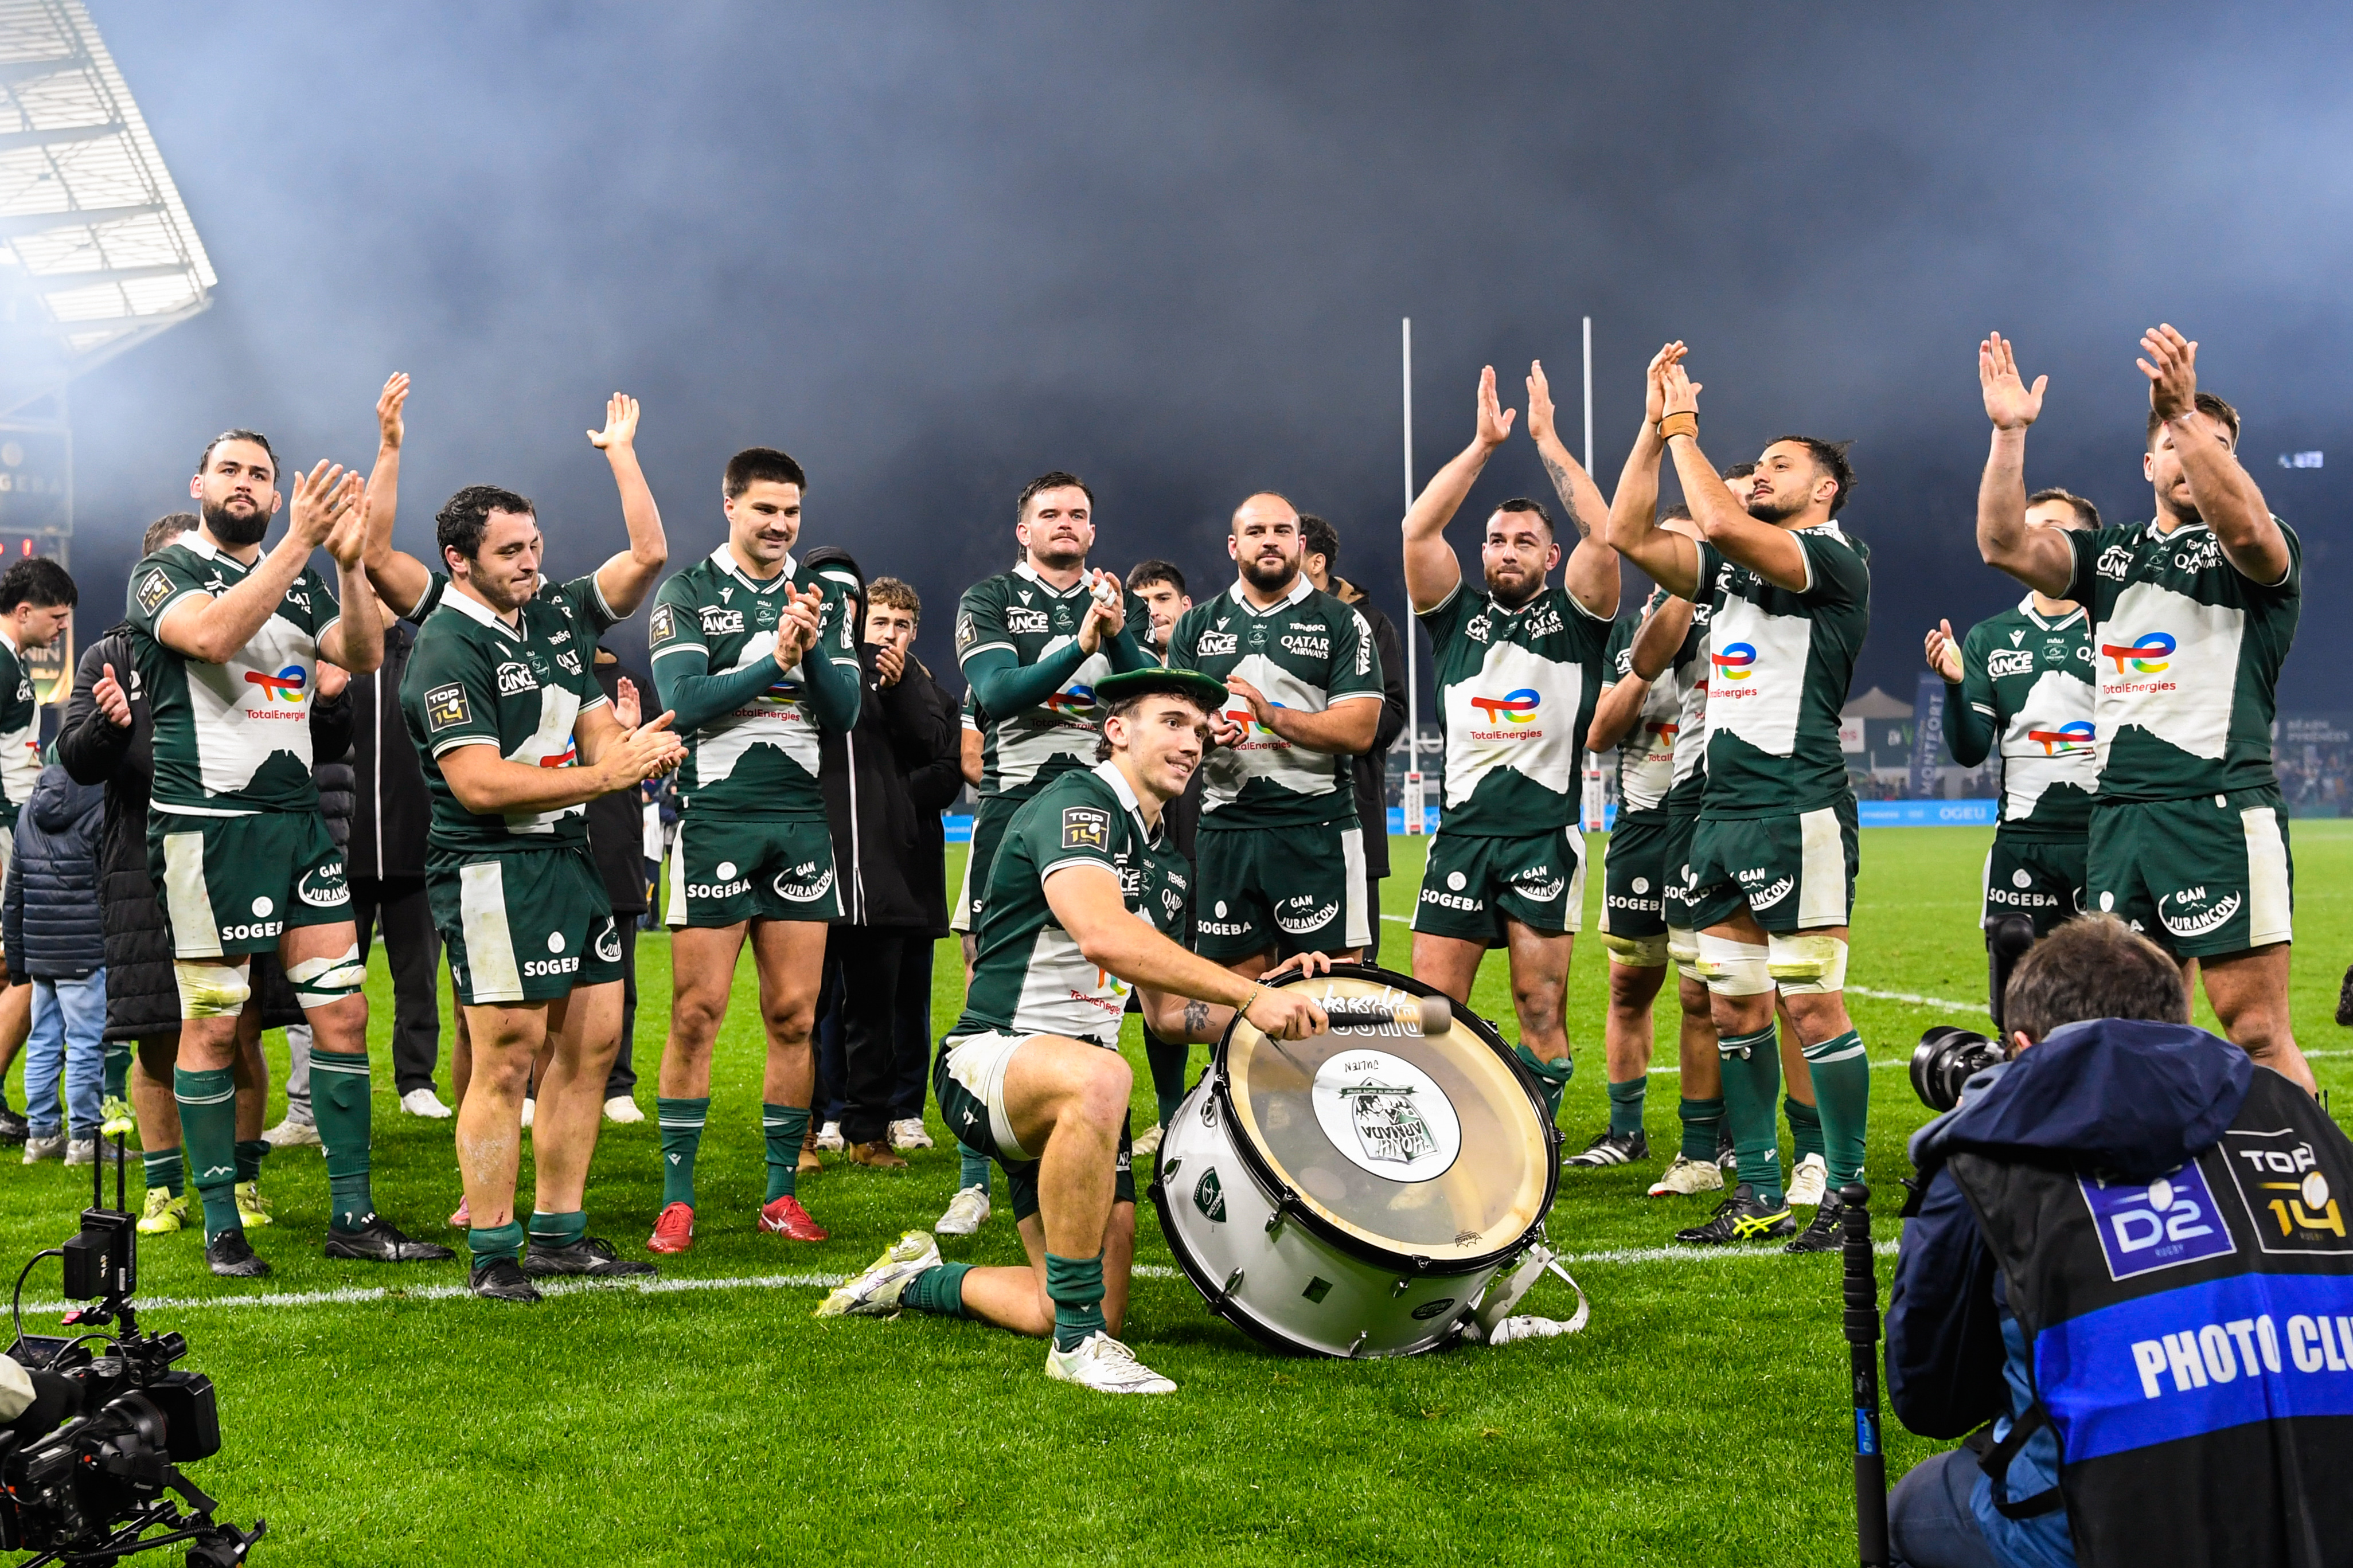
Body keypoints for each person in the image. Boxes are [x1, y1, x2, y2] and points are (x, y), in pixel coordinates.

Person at [815, 667, 1329, 1395]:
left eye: (1200, 727)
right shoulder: (1076, 802)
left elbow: (1164, 1014)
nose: (1194, 740)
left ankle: (919, 1280)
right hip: (991, 1061)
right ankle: (1077, 1351)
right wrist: (1249, 992)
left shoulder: (1166, 862)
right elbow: (1101, 935)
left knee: (1078, 1300)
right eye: (1173, 722)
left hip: (1078, 1103)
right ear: (1117, 731)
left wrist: (1275, 1004)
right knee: (1105, 1077)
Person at [1884, 914, 2352, 1567]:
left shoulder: (1984, 1146)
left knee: (1907, 1511)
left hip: (2118, 1522)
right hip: (2323, 1500)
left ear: (2021, 1046)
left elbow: (1930, 1396)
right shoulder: (2293, 1109)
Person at [124, 419, 448, 1278]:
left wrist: (343, 560)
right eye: (228, 469)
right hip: (207, 827)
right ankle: (222, 1224)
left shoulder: (302, 580)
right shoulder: (165, 572)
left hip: (298, 826)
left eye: (259, 474)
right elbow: (213, 638)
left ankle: (353, 1211)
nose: (244, 482)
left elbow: (366, 652)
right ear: (198, 486)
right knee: (215, 1021)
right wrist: (299, 542)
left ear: (274, 493)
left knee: (342, 1012)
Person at [1971, 329, 2312, 1094]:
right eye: (2174, 439)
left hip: (2216, 810)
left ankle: (2311, 1192)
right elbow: (2000, 543)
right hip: (2117, 819)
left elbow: (2247, 529)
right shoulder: (2109, 556)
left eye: (2218, 446)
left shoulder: (2254, 553)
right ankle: (2165, 1174)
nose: (2195, 454)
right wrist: (2007, 432)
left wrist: (2186, 418)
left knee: (2253, 1029)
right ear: (2146, 464)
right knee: (2126, 1026)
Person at [1608, 342, 1871, 1252]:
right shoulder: (1734, 575)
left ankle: (1843, 1191)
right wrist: (1649, 434)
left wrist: (1684, 427)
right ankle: (1757, 1188)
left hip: (1794, 804)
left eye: (1779, 465)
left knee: (1809, 1004)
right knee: (1732, 1006)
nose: (1760, 473)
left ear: (1824, 490)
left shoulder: (1831, 561)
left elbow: (1715, 522)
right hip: (1717, 814)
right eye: (1755, 465)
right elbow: (1629, 538)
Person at [400, 479, 686, 1302]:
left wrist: (625, 745)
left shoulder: (554, 613)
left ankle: (558, 1231)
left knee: (592, 1044)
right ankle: (493, 1247)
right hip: (491, 868)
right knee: (505, 1059)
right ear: (459, 560)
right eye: (509, 552)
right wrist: (606, 775)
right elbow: (479, 783)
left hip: (567, 858)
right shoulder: (447, 645)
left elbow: (592, 712)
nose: (531, 563)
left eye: (534, 545)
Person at [59, 514, 333, 1238]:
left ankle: (241, 1181)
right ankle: (162, 1186)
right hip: (141, 859)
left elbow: (323, 731)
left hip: (243, 848)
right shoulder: (110, 653)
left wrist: (325, 695)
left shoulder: (268, 630)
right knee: (157, 1030)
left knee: (237, 1023)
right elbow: (77, 759)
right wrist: (107, 727)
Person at [640, 446, 863, 1254]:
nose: (779, 524)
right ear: (729, 506)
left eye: (791, 512)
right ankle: (676, 1196)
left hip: (798, 822)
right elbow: (685, 702)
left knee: (794, 1015)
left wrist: (805, 656)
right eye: (764, 508)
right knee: (696, 1013)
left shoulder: (823, 596)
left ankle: (779, 1192)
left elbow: (842, 715)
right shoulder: (689, 592)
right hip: (716, 820)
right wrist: (772, 658)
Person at [1399, 362, 1620, 1124]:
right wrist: (1482, 445)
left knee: (1537, 1005)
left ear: (1549, 557)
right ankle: (1433, 1134)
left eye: (1524, 541)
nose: (1506, 551)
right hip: (1459, 838)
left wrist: (1547, 439)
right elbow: (1417, 529)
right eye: (1495, 540)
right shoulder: (1451, 615)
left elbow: (1607, 530)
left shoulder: (1578, 616)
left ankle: (1532, 1137)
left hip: (1541, 839)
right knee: (1430, 1009)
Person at [950, 471, 1154, 979]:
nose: (1065, 523)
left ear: (1091, 533)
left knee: (1101, 963)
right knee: (990, 956)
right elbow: (997, 693)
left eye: (1077, 516)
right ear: (1023, 533)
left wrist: (1117, 632)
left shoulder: (1129, 607)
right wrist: (1081, 647)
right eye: (1050, 515)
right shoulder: (988, 598)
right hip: (1013, 798)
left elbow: (1149, 700)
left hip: (1102, 803)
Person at [1167, 492, 1382, 973]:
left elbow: (1360, 728)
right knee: (1235, 1002)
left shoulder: (1342, 622)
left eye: (1281, 532)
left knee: (1334, 992)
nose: (1269, 541)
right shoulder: (1196, 626)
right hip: (1226, 831)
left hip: (1317, 830)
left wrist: (1275, 716)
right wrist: (1204, 731)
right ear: (1232, 545)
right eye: (1255, 532)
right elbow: (1172, 724)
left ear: (1301, 545)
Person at [1925, 486, 2102, 1019]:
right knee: (2017, 1009)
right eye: (2025, 527)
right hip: (2022, 846)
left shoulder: (2122, 626)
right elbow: (1969, 750)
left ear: (2086, 544)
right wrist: (1955, 687)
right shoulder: (1990, 636)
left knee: (2111, 1000)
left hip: (2110, 839)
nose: (2030, 539)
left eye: (2048, 526)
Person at [814, 576, 959, 1170]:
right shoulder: (835, 684)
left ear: (915, 632)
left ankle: (899, 1113)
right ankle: (827, 1114)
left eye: (901, 625)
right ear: (858, 626)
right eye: (880, 623)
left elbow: (947, 770)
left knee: (903, 1000)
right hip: (838, 862)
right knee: (826, 1001)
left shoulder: (927, 689)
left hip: (908, 868)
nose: (890, 635)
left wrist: (883, 796)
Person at [1575, 540, 1702, 1172]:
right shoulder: (1623, 633)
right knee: (1629, 985)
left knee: (1711, 989)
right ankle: (1626, 1131)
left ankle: (1714, 1133)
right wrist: (1645, 666)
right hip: (1642, 828)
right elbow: (1598, 735)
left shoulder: (1737, 619)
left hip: (1712, 825)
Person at [333, 608, 448, 1123]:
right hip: (346, 852)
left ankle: (416, 1081)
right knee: (335, 981)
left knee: (419, 978)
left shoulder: (424, 657)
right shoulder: (332, 653)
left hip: (414, 849)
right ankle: (338, 1079)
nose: (373, 599)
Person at [1119, 558, 1205, 1165]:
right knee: (1137, 978)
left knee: (1178, 978)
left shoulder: (1207, 670)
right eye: (1142, 599)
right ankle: (1154, 1111)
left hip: (1202, 838)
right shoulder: (1121, 671)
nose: (1154, 607)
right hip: (1134, 839)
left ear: (1186, 602)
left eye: (1163, 596)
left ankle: (1178, 1114)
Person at [1296, 515, 1410, 945]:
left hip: (1350, 808)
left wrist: (1321, 726)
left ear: (1316, 562)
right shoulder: (1259, 621)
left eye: (1291, 545)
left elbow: (1392, 712)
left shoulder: (1370, 623)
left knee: (1355, 973)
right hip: (1272, 815)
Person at [0, 557, 78, 1144]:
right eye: (55, 618)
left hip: (14, 825)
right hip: (5, 831)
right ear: (23, 611)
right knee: (22, 967)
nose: (61, 630)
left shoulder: (13, 661)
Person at [6, 748, 107, 1164]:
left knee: (44, 1043)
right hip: (86, 949)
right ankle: (85, 1139)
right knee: (85, 1043)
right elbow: (111, 883)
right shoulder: (102, 803)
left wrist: (17, 960)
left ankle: (42, 1135)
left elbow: (14, 890)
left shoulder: (30, 807)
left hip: (40, 951)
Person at [588, 644, 656, 1124]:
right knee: (539, 979)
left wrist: (639, 742)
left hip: (615, 845)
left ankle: (617, 1084)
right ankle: (533, 1082)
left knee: (620, 981)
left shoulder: (630, 681)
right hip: (544, 846)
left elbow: (658, 758)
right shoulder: (529, 669)